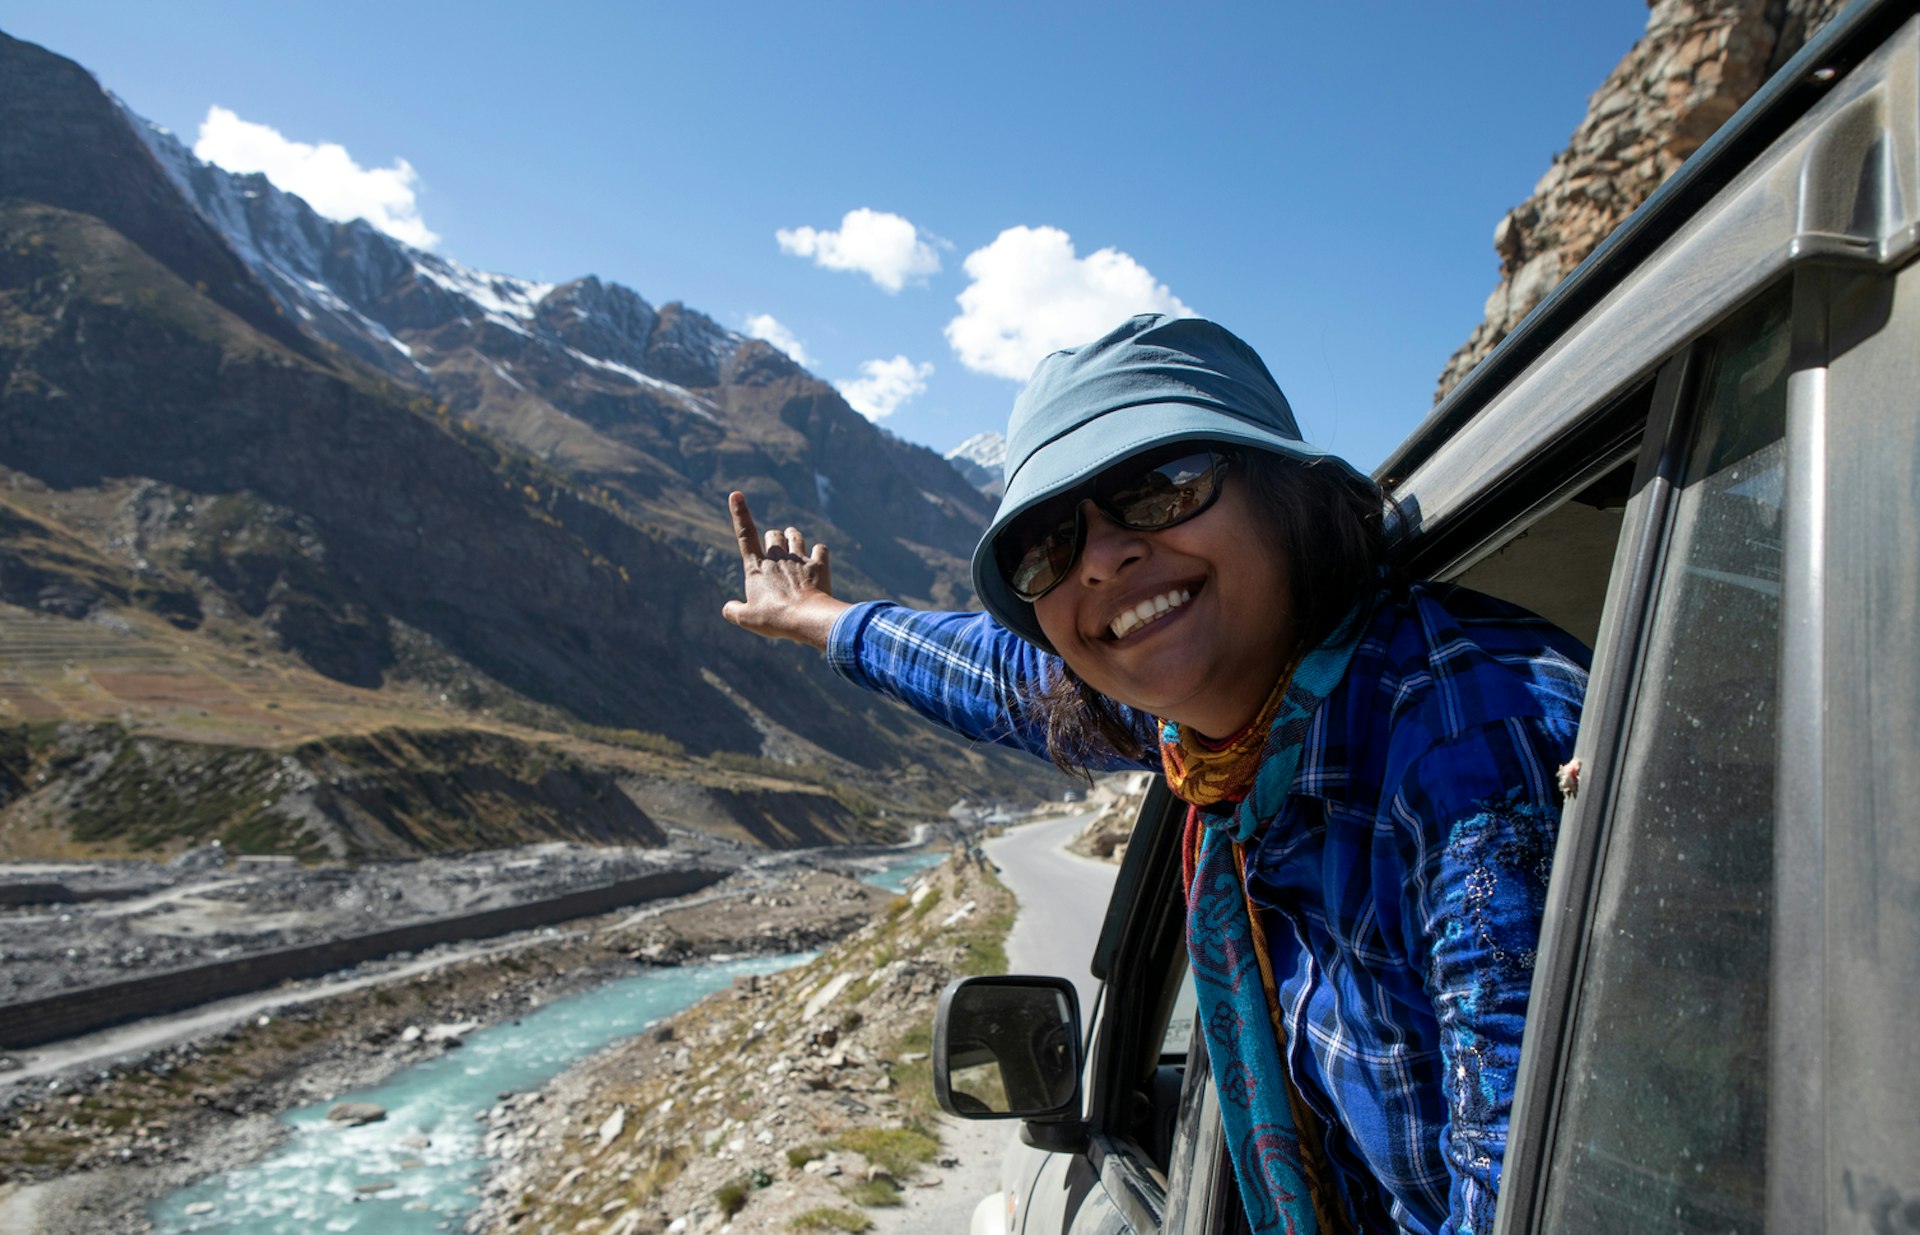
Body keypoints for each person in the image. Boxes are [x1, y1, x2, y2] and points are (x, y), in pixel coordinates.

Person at [722, 314, 1589, 1235]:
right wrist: (819, 617)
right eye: (1046, 546)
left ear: (1287, 491)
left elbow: (1532, 1191)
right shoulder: (1237, 721)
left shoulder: (1467, 761)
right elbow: (996, 675)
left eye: (1160, 486)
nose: (1100, 559)